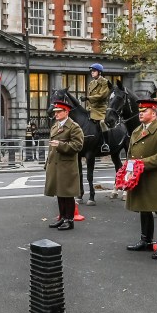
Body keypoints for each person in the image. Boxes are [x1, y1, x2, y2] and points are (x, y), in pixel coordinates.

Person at [125, 99, 157, 259]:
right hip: (140, 177)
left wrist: (143, 164)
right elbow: (130, 154)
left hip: (156, 177)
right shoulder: (136, 131)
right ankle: (145, 241)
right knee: (144, 207)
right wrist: (128, 171)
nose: (140, 113)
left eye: (144, 111)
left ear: (153, 114)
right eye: (140, 111)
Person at [45, 101, 85, 231]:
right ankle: (62, 217)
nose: (55, 114)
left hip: (66, 165)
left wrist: (61, 145)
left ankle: (69, 220)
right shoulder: (55, 125)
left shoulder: (74, 127)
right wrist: (47, 163)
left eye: (58, 111)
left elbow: (78, 146)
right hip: (55, 164)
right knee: (59, 192)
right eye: (55, 112)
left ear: (66, 112)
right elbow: (51, 147)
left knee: (67, 194)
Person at [85, 63, 111, 152]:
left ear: (99, 72)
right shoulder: (91, 83)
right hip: (91, 108)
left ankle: (105, 143)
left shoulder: (105, 82)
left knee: (102, 123)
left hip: (100, 108)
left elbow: (101, 96)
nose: (92, 73)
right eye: (91, 71)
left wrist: (88, 98)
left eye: (94, 71)